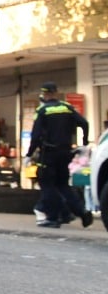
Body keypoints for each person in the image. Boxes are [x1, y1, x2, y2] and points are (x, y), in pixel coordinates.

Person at [28, 82, 91, 228]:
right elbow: (84, 123)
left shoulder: (42, 111)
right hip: (65, 152)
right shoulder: (67, 108)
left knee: (47, 184)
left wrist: (29, 154)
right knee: (62, 184)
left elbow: (36, 135)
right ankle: (80, 211)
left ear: (44, 94)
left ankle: (53, 217)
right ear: (56, 93)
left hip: (48, 153)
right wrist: (84, 141)